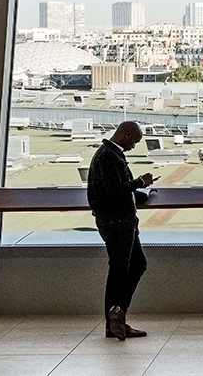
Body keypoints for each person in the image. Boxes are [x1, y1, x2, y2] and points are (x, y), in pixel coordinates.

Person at [87, 120, 155, 340]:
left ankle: (117, 315)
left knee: (134, 265)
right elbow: (115, 191)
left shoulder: (108, 154)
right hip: (116, 223)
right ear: (126, 134)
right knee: (120, 269)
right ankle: (114, 318)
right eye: (134, 141)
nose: (133, 147)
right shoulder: (108, 156)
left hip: (121, 221)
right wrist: (139, 183)